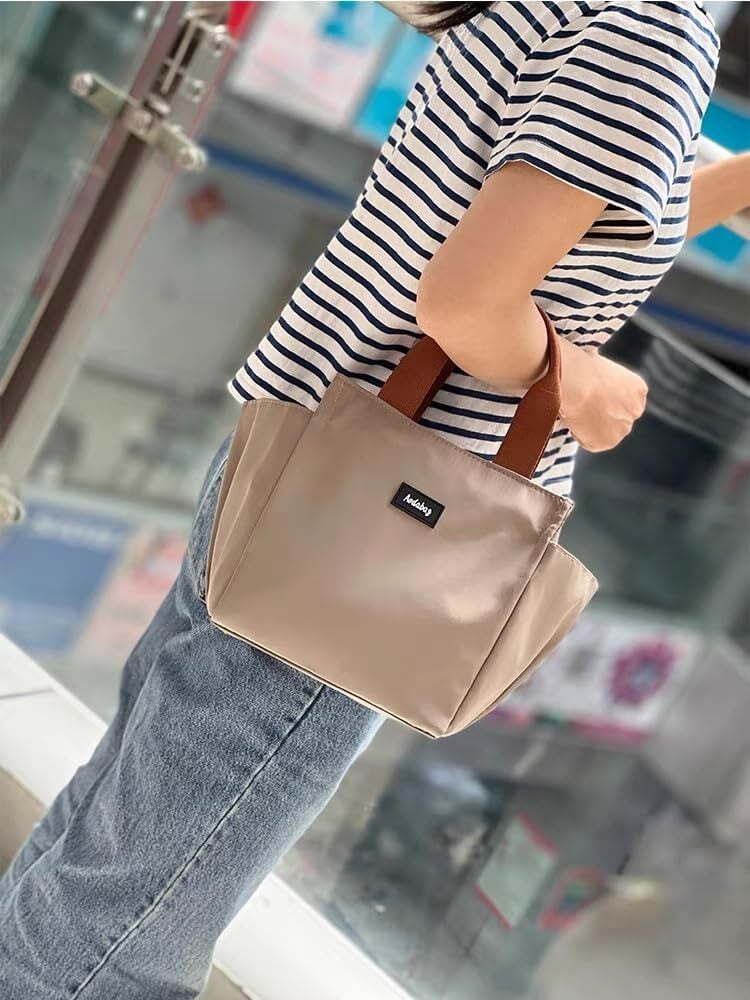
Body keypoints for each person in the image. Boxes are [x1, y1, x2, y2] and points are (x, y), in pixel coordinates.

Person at [1, 2, 747, 996]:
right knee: (129, 923)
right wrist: (582, 383)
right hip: (389, 527)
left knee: (109, 841)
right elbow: (467, 304)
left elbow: (584, 234)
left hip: (309, 461)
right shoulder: (655, 33)